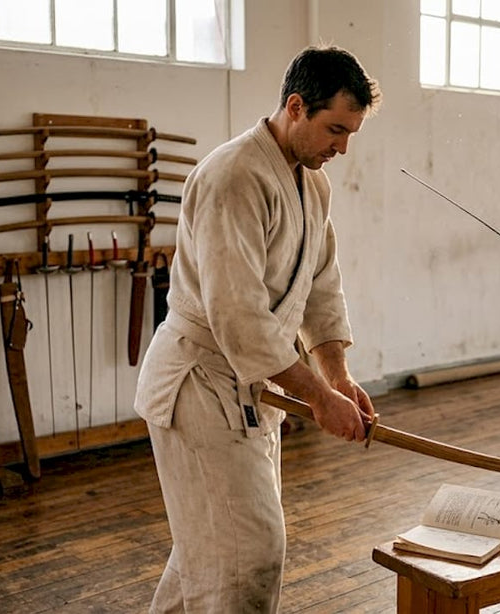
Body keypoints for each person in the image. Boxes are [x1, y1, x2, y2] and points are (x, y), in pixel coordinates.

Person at [133, 45, 381, 613]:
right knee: (248, 557)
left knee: (211, 553)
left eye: (351, 134)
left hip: (250, 390)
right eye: (335, 130)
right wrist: (317, 397)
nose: (342, 147)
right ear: (296, 106)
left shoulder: (311, 184)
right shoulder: (233, 177)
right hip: (200, 384)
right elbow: (239, 317)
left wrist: (337, 377)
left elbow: (321, 286)